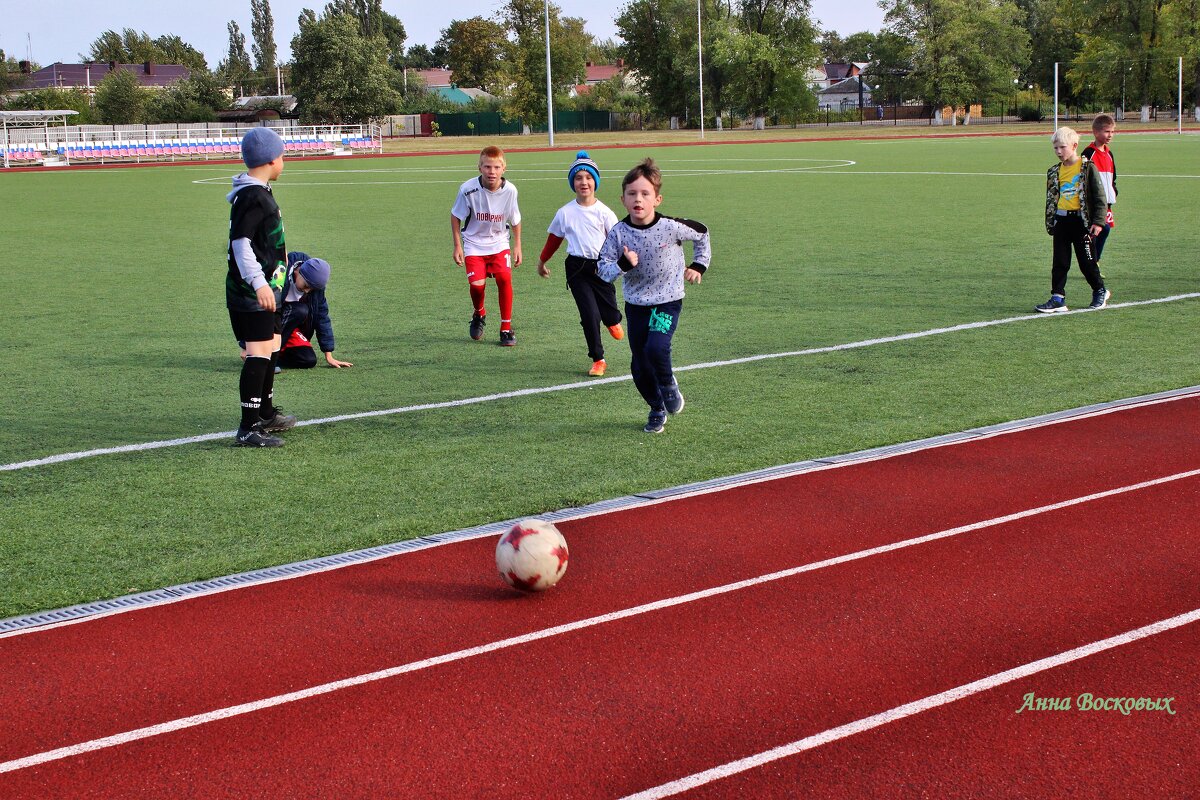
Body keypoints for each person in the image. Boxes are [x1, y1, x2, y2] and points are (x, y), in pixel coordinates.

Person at [598, 158, 711, 434]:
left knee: (656, 348)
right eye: (632, 194)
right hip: (637, 306)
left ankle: (669, 384)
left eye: (645, 194)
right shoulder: (618, 233)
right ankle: (656, 407)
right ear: (622, 199)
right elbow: (602, 271)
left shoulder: (671, 227)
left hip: (668, 300)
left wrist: (699, 264)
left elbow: (702, 233)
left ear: (657, 199)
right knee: (639, 365)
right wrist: (622, 265)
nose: (638, 199)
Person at [226, 126, 295, 447]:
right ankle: (248, 427)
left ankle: (265, 413)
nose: (285, 161)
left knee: (273, 345)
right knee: (258, 352)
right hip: (252, 293)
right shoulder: (252, 197)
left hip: (270, 289)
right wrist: (259, 284)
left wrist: (278, 284)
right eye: (282, 156)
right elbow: (241, 245)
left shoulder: (259, 191)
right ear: (270, 159)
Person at [537, 151, 626, 376]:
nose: (584, 182)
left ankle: (613, 320)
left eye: (588, 177)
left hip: (602, 267)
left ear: (595, 181)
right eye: (578, 178)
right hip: (577, 269)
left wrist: (624, 262)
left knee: (610, 313)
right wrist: (542, 262)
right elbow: (554, 240)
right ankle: (598, 358)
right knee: (589, 315)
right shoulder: (565, 213)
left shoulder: (604, 212)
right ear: (572, 182)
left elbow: (618, 241)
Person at [451, 145, 523, 346]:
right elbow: (456, 216)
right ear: (479, 167)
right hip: (474, 244)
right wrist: (458, 246)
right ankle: (479, 313)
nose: (492, 171)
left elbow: (515, 219)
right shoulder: (468, 189)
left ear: (504, 168)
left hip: (499, 242)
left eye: (496, 167)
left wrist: (517, 246)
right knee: (476, 286)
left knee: (504, 278)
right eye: (487, 167)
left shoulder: (510, 191)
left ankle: (506, 328)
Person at [1036, 127, 1110, 314]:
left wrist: (1098, 222)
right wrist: (1052, 220)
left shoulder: (1087, 168)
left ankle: (1100, 290)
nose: (1059, 152)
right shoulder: (1054, 171)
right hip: (1061, 222)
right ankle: (1058, 298)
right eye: (1055, 148)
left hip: (1082, 223)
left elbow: (1100, 197)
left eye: (1062, 147)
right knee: (1060, 262)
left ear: (1074, 146)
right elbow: (1052, 197)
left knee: (1087, 261)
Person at [277, 251, 354, 370]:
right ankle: (266, 356)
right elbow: (256, 306)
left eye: (312, 289)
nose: (307, 291)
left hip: (291, 329)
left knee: (308, 360)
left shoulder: (316, 288)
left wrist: (329, 355)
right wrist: (247, 345)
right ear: (299, 271)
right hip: (272, 326)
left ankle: (272, 358)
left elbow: (322, 316)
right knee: (300, 310)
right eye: (306, 286)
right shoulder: (280, 273)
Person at [1080, 113, 1117, 265]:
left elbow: (1113, 176)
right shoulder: (1089, 153)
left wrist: (1114, 191)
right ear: (1096, 132)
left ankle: (1094, 260)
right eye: (1107, 131)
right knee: (1100, 229)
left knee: (1105, 230)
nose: (1110, 135)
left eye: (1112, 132)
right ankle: (1092, 261)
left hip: (1106, 201)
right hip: (1095, 201)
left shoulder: (1109, 154)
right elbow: (1083, 177)